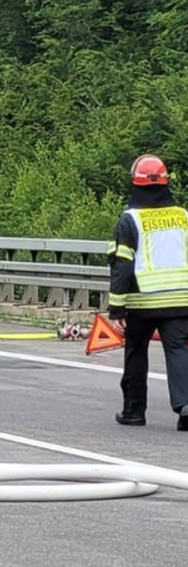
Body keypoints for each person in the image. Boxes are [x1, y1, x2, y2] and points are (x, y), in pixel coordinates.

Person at [108, 154, 188, 429]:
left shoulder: (130, 220)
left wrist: (117, 307)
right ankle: (185, 406)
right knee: (178, 349)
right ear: (166, 183)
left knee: (136, 351)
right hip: (180, 299)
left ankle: (134, 411)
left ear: (135, 184)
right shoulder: (183, 217)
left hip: (143, 301)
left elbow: (122, 266)